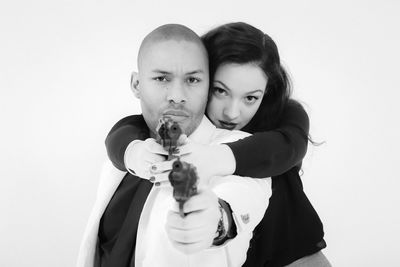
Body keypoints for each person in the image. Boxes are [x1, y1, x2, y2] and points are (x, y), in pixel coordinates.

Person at [104, 22, 330, 266]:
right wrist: (133, 153)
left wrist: (215, 217)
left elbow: (237, 199)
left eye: (251, 98)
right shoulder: (157, 132)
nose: (232, 113)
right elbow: (127, 130)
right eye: (220, 91)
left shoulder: (267, 143)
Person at [77, 24, 271, 267]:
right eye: (161, 78)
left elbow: (243, 197)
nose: (177, 95)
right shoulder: (125, 152)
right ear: (137, 84)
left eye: (192, 79)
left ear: (208, 85)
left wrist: (216, 220)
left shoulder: (239, 149)